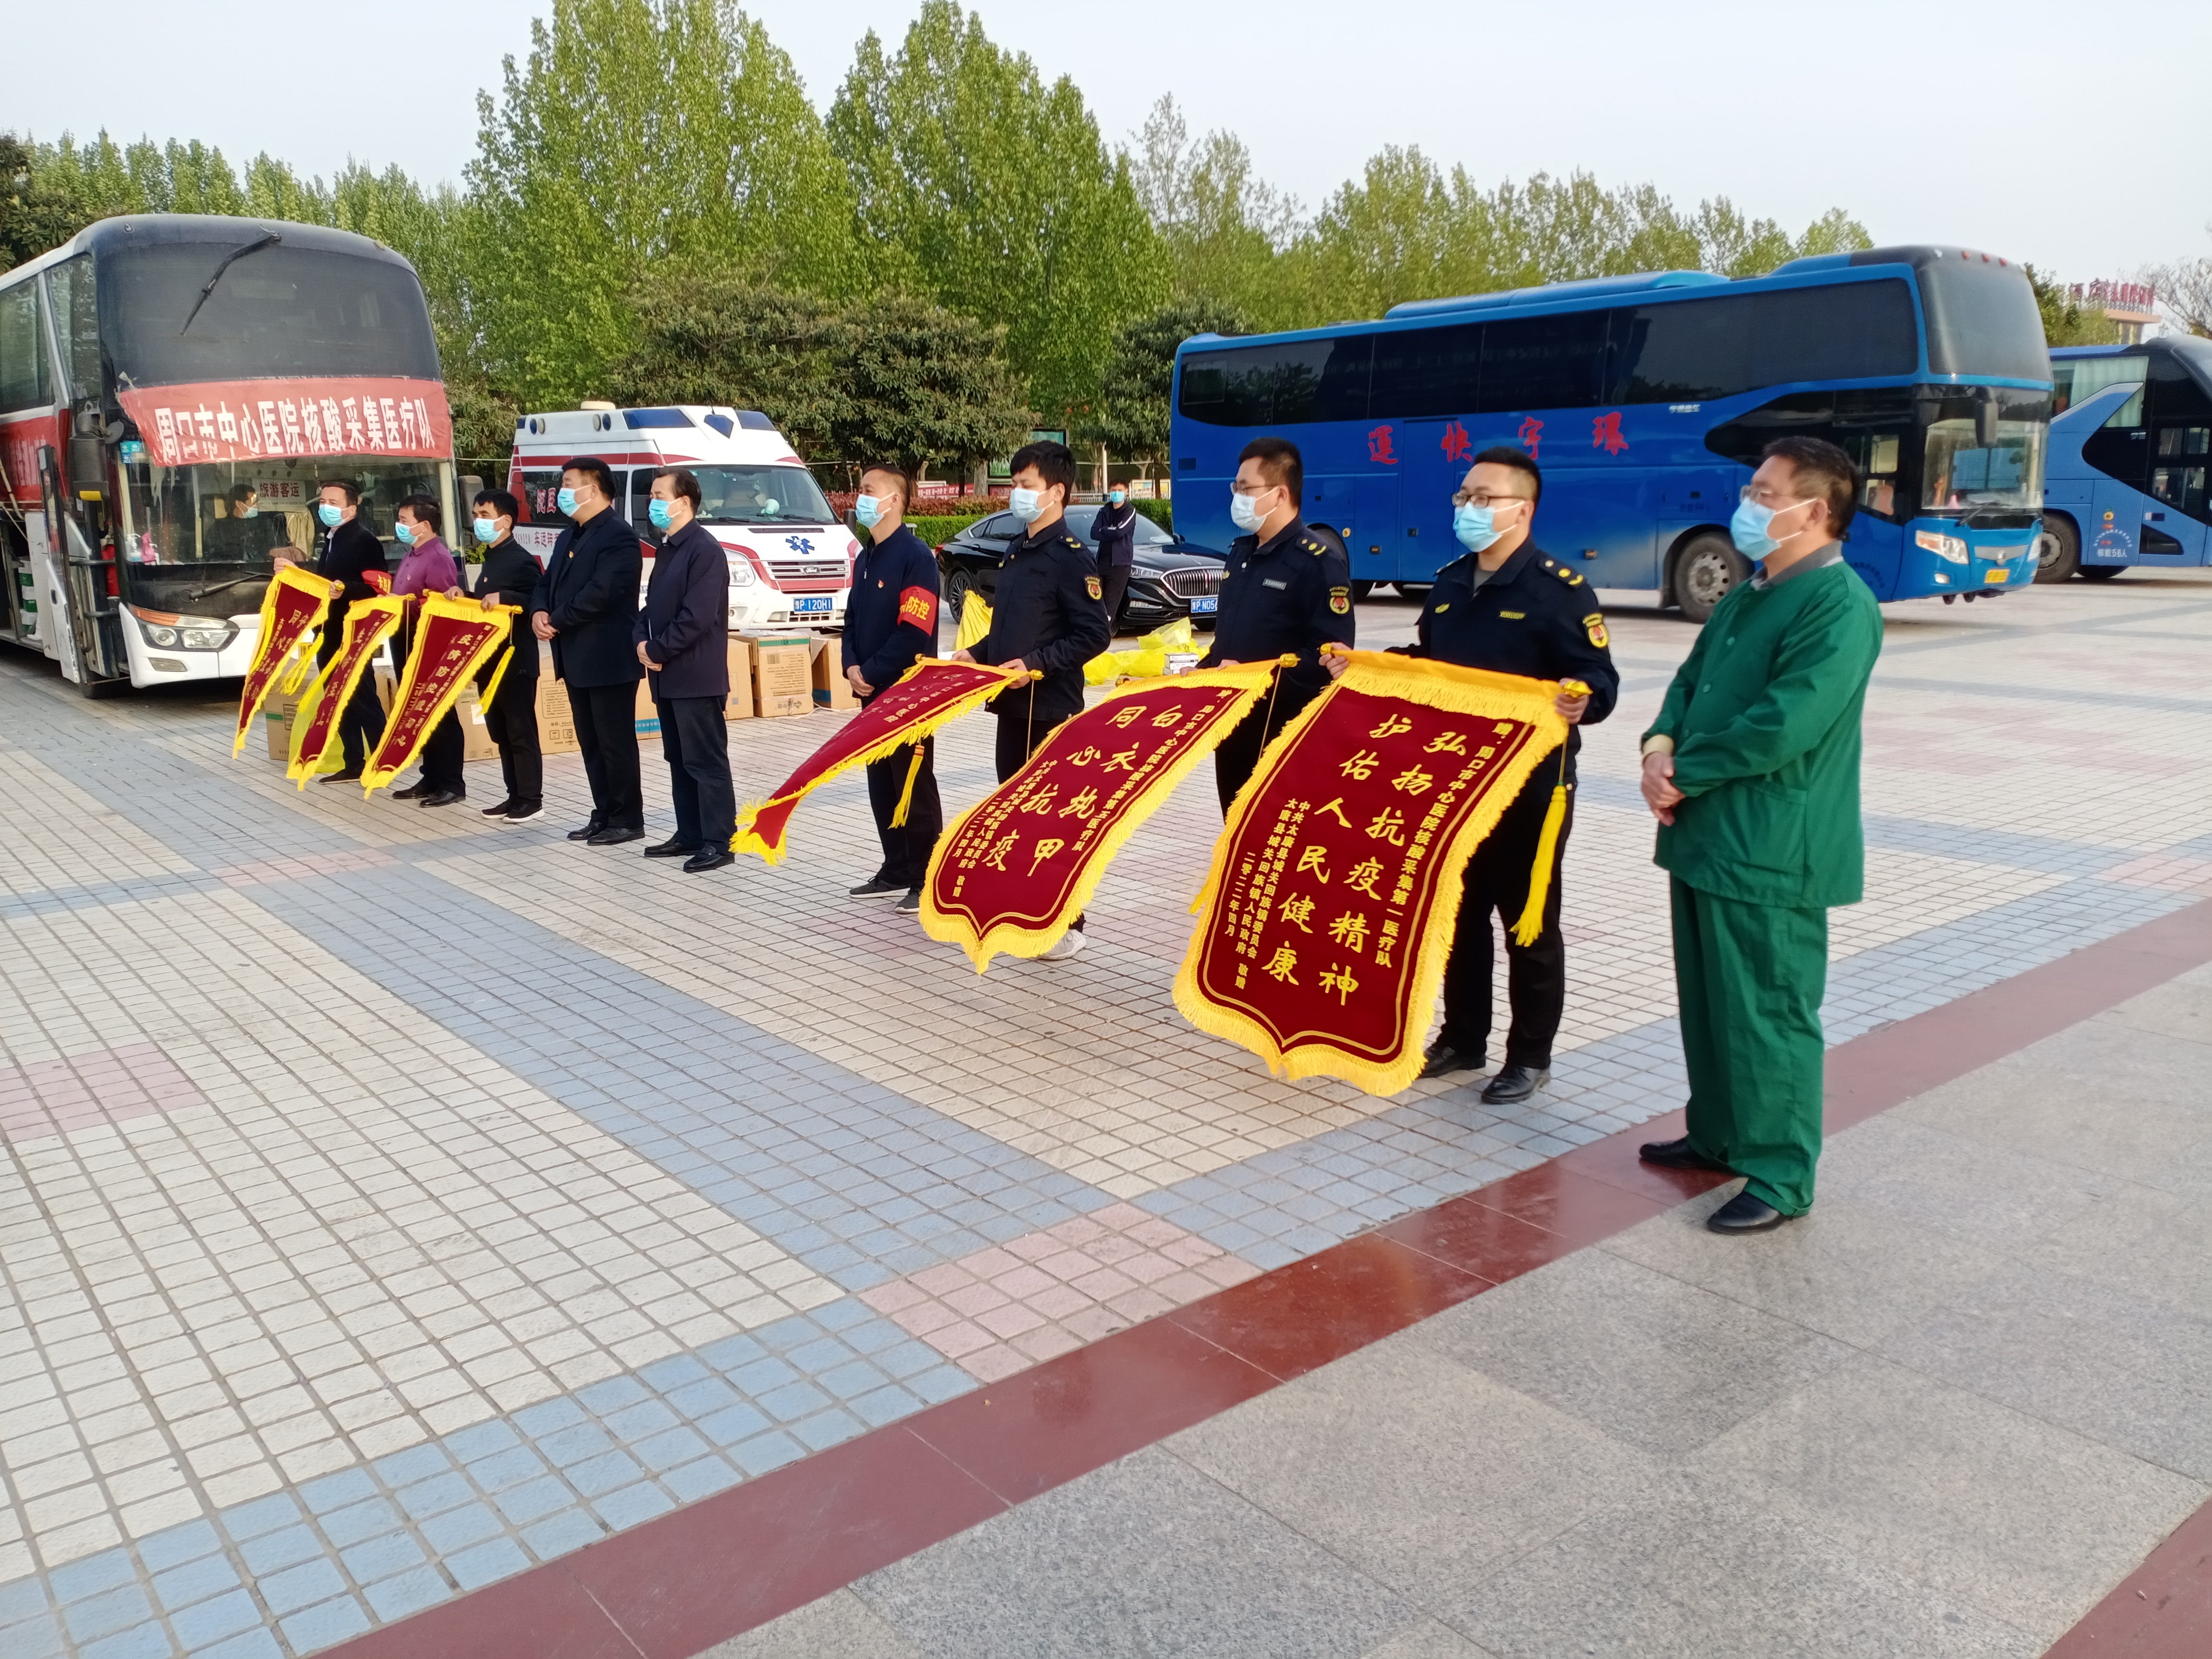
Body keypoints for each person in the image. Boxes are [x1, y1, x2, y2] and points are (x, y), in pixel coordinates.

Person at [1636, 436, 1883, 1235]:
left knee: (1769, 1010)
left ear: (1815, 510)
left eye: (1765, 494)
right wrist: (1657, 747)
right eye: (1752, 490)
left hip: (1772, 845)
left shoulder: (1837, 605)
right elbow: (1689, 683)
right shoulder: (1751, 592)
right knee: (1711, 1002)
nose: (1748, 505)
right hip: (1708, 833)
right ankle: (1717, 1133)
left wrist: (1683, 772)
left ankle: (1779, 1171)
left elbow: (1785, 724)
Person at [1329, 447, 1618, 1106]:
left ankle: (1530, 1056)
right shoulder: (1452, 582)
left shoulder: (1560, 591)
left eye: (1484, 498)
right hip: (1456, 784)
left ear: (1524, 509)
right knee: (1458, 917)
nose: (1468, 508)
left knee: (1528, 925)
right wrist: (1366, 665)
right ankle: (1463, 1038)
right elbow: (1428, 663)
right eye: (1464, 497)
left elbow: (1599, 679)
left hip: (1530, 788)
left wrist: (1584, 698)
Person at [948, 439, 1111, 959]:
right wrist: (977, 654)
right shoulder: (1019, 548)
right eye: (1014, 483)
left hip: (1051, 709)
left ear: (1056, 492)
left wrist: (1037, 664)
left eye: (1026, 485)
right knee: (1015, 816)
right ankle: (1028, 912)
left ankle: (1069, 923)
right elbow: (1009, 628)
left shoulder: (1071, 558)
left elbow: (1095, 635)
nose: (1015, 492)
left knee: (1052, 822)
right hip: (1013, 707)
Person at [1199, 436, 1355, 811]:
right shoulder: (1241, 554)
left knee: (1272, 834)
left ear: (1280, 494)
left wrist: (1257, 678)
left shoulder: (1318, 563)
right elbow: (1229, 642)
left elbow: (1328, 658)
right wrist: (1199, 674)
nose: (1237, 497)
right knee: (1235, 830)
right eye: (1236, 488)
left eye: (1246, 489)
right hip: (1235, 726)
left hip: (1283, 732)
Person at [530, 457, 646, 846]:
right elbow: (546, 582)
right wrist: (539, 611)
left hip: (608, 658)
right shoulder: (570, 535)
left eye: (568, 484)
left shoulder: (618, 536)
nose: (561, 492)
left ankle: (627, 819)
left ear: (593, 489)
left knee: (615, 743)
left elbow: (602, 593)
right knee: (591, 742)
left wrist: (557, 620)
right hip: (575, 657)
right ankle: (605, 812)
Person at [844, 463, 943, 911]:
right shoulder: (866, 557)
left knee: (913, 788)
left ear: (895, 500)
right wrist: (851, 666)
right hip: (870, 694)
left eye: (869, 490)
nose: (860, 497)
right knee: (881, 783)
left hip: (907, 697)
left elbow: (914, 633)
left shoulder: (915, 557)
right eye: (860, 489)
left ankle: (926, 877)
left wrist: (872, 671)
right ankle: (896, 867)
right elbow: (851, 621)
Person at [633, 468, 736, 873]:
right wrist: (641, 641)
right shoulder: (668, 549)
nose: (653, 503)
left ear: (684, 502)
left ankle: (719, 841)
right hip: (666, 675)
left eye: (660, 495)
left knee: (706, 761)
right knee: (679, 758)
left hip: (695, 676)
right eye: (652, 496)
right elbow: (652, 608)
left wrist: (658, 649)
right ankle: (690, 832)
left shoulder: (704, 550)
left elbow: (698, 617)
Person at [276, 480, 387, 784]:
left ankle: (382, 761)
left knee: (363, 697)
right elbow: (324, 583)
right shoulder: (331, 539)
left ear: (352, 508)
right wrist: (294, 573)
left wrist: (345, 589)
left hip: (352, 632)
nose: (326, 507)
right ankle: (354, 762)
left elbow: (379, 588)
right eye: (323, 502)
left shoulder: (365, 541)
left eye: (334, 503)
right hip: (327, 632)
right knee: (337, 699)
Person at [455, 489, 543, 823]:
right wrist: (463, 595)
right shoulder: (491, 556)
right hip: (489, 660)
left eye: (485, 515)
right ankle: (514, 795)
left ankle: (531, 799)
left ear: (505, 521)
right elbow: (486, 603)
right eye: (476, 515)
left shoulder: (521, 559)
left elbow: (537, 601)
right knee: (501, 731)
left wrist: (505, 596)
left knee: (521, 732)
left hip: (515, 660)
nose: (478, 521)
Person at [387, 495, 466, 807]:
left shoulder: (438, 558)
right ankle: (431, 776)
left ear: (425, 525)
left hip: (426, 642)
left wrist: (408, 604)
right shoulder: (413, 553)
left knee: (439, 710)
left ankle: (451, 783)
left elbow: (443, 606)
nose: (399, 526)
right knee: (417, 710)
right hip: (404, 638)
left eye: (404, 521)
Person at [1092, 482, 1138, 635]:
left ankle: (1102, 634)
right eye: (1113, 490)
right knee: (1096, 600)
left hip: (1120, 564)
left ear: (1126, 492)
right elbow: (1094, 533)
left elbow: (1120, 532)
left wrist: (1105, 530)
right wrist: (1111, 530)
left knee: (1110, 602)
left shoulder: (1129, 511)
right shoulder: (1104, 511)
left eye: (1120, 490)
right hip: (1102, 562)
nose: (1116, 493)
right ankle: (1094, 633)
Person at [208, 483, 292, 561]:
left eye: (257, 502)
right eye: (254, 503)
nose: (257, 506)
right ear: (239, 504)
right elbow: (214, 557)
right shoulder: (219, 528)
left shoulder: (264, 524)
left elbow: (274, 550)